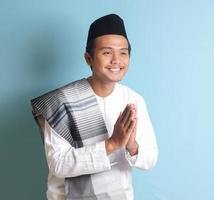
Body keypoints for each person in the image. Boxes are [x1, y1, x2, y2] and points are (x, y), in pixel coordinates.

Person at [31, 14, 158, 200]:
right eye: (107, 52)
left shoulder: (133, 100)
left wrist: (131, 145)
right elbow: (58, 164)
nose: (116, 60)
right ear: (88, 58)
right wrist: (112, 144)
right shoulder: (60, 102)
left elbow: (150, 159)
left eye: (123, 52)